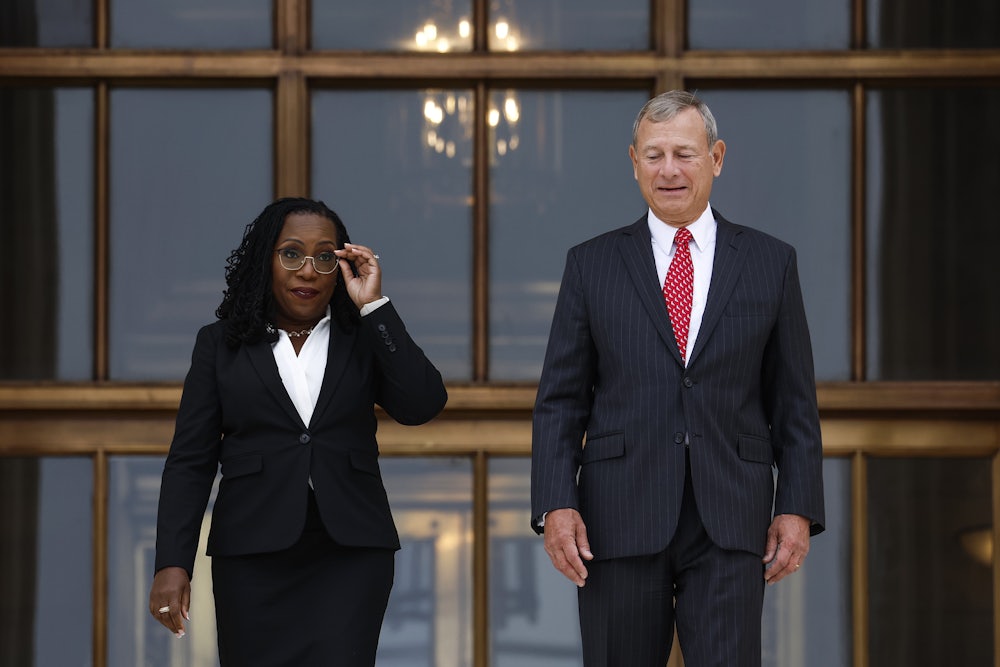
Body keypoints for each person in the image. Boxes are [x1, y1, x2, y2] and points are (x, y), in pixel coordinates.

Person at [530, 90, 825, 667]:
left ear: (716, 158)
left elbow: (794, 402)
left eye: (684, 154)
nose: (669, 170)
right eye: (654, 155)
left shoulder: (770, 262)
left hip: (730, 514)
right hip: (617, 516)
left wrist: (797, 506)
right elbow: (560, 401)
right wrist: (555, 503)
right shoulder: (591, 264)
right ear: (633, 162)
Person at [149, 197, 447, 666]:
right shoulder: (219, 345)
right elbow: (191, 460)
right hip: (252, 552)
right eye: (291, 254)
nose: (308, 270)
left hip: (350, 552)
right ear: (265, 260)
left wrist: (374, 307)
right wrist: (172, 562)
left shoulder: (363, 336)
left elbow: (421, 404)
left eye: (325, 257)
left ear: (341, 266)